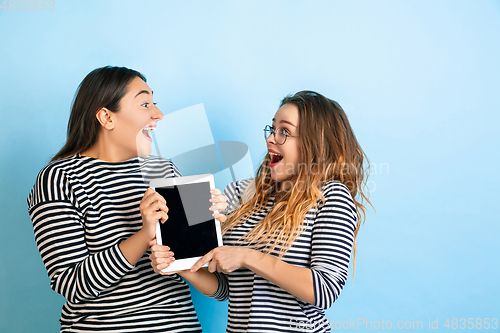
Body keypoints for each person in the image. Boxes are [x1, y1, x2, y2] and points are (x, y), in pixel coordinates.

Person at [150, 91, 372, 333]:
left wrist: (248, 256)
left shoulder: (330, 196)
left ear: (314, 143)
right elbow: (226, 289)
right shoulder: (240, 193)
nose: (270, 139)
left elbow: (325, 290)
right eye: (272, 129)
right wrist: (181, 266)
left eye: (284, 132)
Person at [27, 66, 227, 332]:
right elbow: (72, 284)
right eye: (145, 103)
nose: (158, 114)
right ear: (106, 118)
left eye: (155, 103)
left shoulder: (164, 172)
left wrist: (197, 245)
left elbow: (220, 289)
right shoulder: (59, 179)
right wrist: (146, 234)